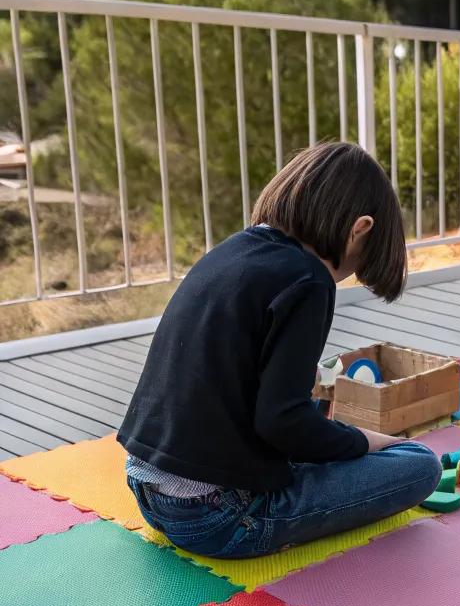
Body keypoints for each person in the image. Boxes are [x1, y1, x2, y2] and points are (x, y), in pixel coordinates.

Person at [119, 141, 441, 559]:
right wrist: (369, 441)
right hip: (216, 516)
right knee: (419, 463)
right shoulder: (309, 281)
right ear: (359, 228)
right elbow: (282, 423)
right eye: (357, 266)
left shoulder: (235, 249)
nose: (346, 276)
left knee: (337, 440)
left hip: (148, 489)